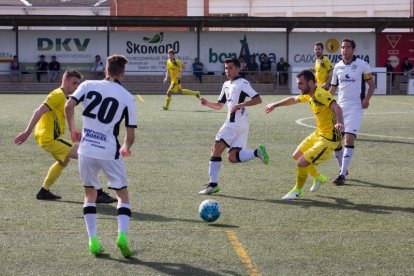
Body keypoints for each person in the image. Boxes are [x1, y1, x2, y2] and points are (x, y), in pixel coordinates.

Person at [65, 55, 137, 257]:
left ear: (106, 70)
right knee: (122, 196)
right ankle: (122, 236)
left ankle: (93, 241)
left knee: (90, 195)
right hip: (108, 151)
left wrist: (72, 130)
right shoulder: (127, 97)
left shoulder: (87, 84)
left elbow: (69, 106)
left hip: (86, 149)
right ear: (122, 74)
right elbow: (130, 134)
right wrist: (125, 146)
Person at [14, 70, 116, 203]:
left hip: (47, 137)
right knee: (86, 155)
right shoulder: (57, 94)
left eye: (78, 84)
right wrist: (26, 132)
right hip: (50, 138)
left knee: (64, 161)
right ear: (65, 81)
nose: (76, 86)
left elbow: (61, 116)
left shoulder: (65, 97)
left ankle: (44, 191)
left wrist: (71, 131)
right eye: (74, 83)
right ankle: (98, 193)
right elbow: (39, 111)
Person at [265, 70, 344, 200]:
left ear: (311, 83)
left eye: (301, 83)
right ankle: (318, 178)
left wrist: (340, 123)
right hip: (319, 133)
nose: (298, 86)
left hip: (329, 139)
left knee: (302, 163)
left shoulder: (320, 94)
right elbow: (293, 99)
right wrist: (275, 104)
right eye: (298, 83)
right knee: (297, 155)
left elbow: (337, 107)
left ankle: (298, 190)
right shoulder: (309, 94)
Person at [198, 57, 269, 195]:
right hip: (241, 124)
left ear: (238, 68)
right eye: (226, 68)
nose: (228, 71)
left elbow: (258, 99)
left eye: (231, 68)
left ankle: (213, 185)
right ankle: (256, 152)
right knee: (232, 157)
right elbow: (219, 105)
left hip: (233, 124)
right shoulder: (225, 84)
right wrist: (207, 103)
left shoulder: (242, 83)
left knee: (215, 150)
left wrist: (242, 104)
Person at [329, 38, 376, 186]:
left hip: (356, 107)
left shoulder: (362, 65)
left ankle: (342, 175)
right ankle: (344, 168)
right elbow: (333, 89)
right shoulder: (337, 67)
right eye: (343, 47)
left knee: (348, 138)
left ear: (353, 50)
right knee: (335, 141)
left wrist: (367, 99)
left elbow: (372, 85)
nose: (344, 49)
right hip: (340, 108)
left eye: (348, 47)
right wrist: (324, 102)